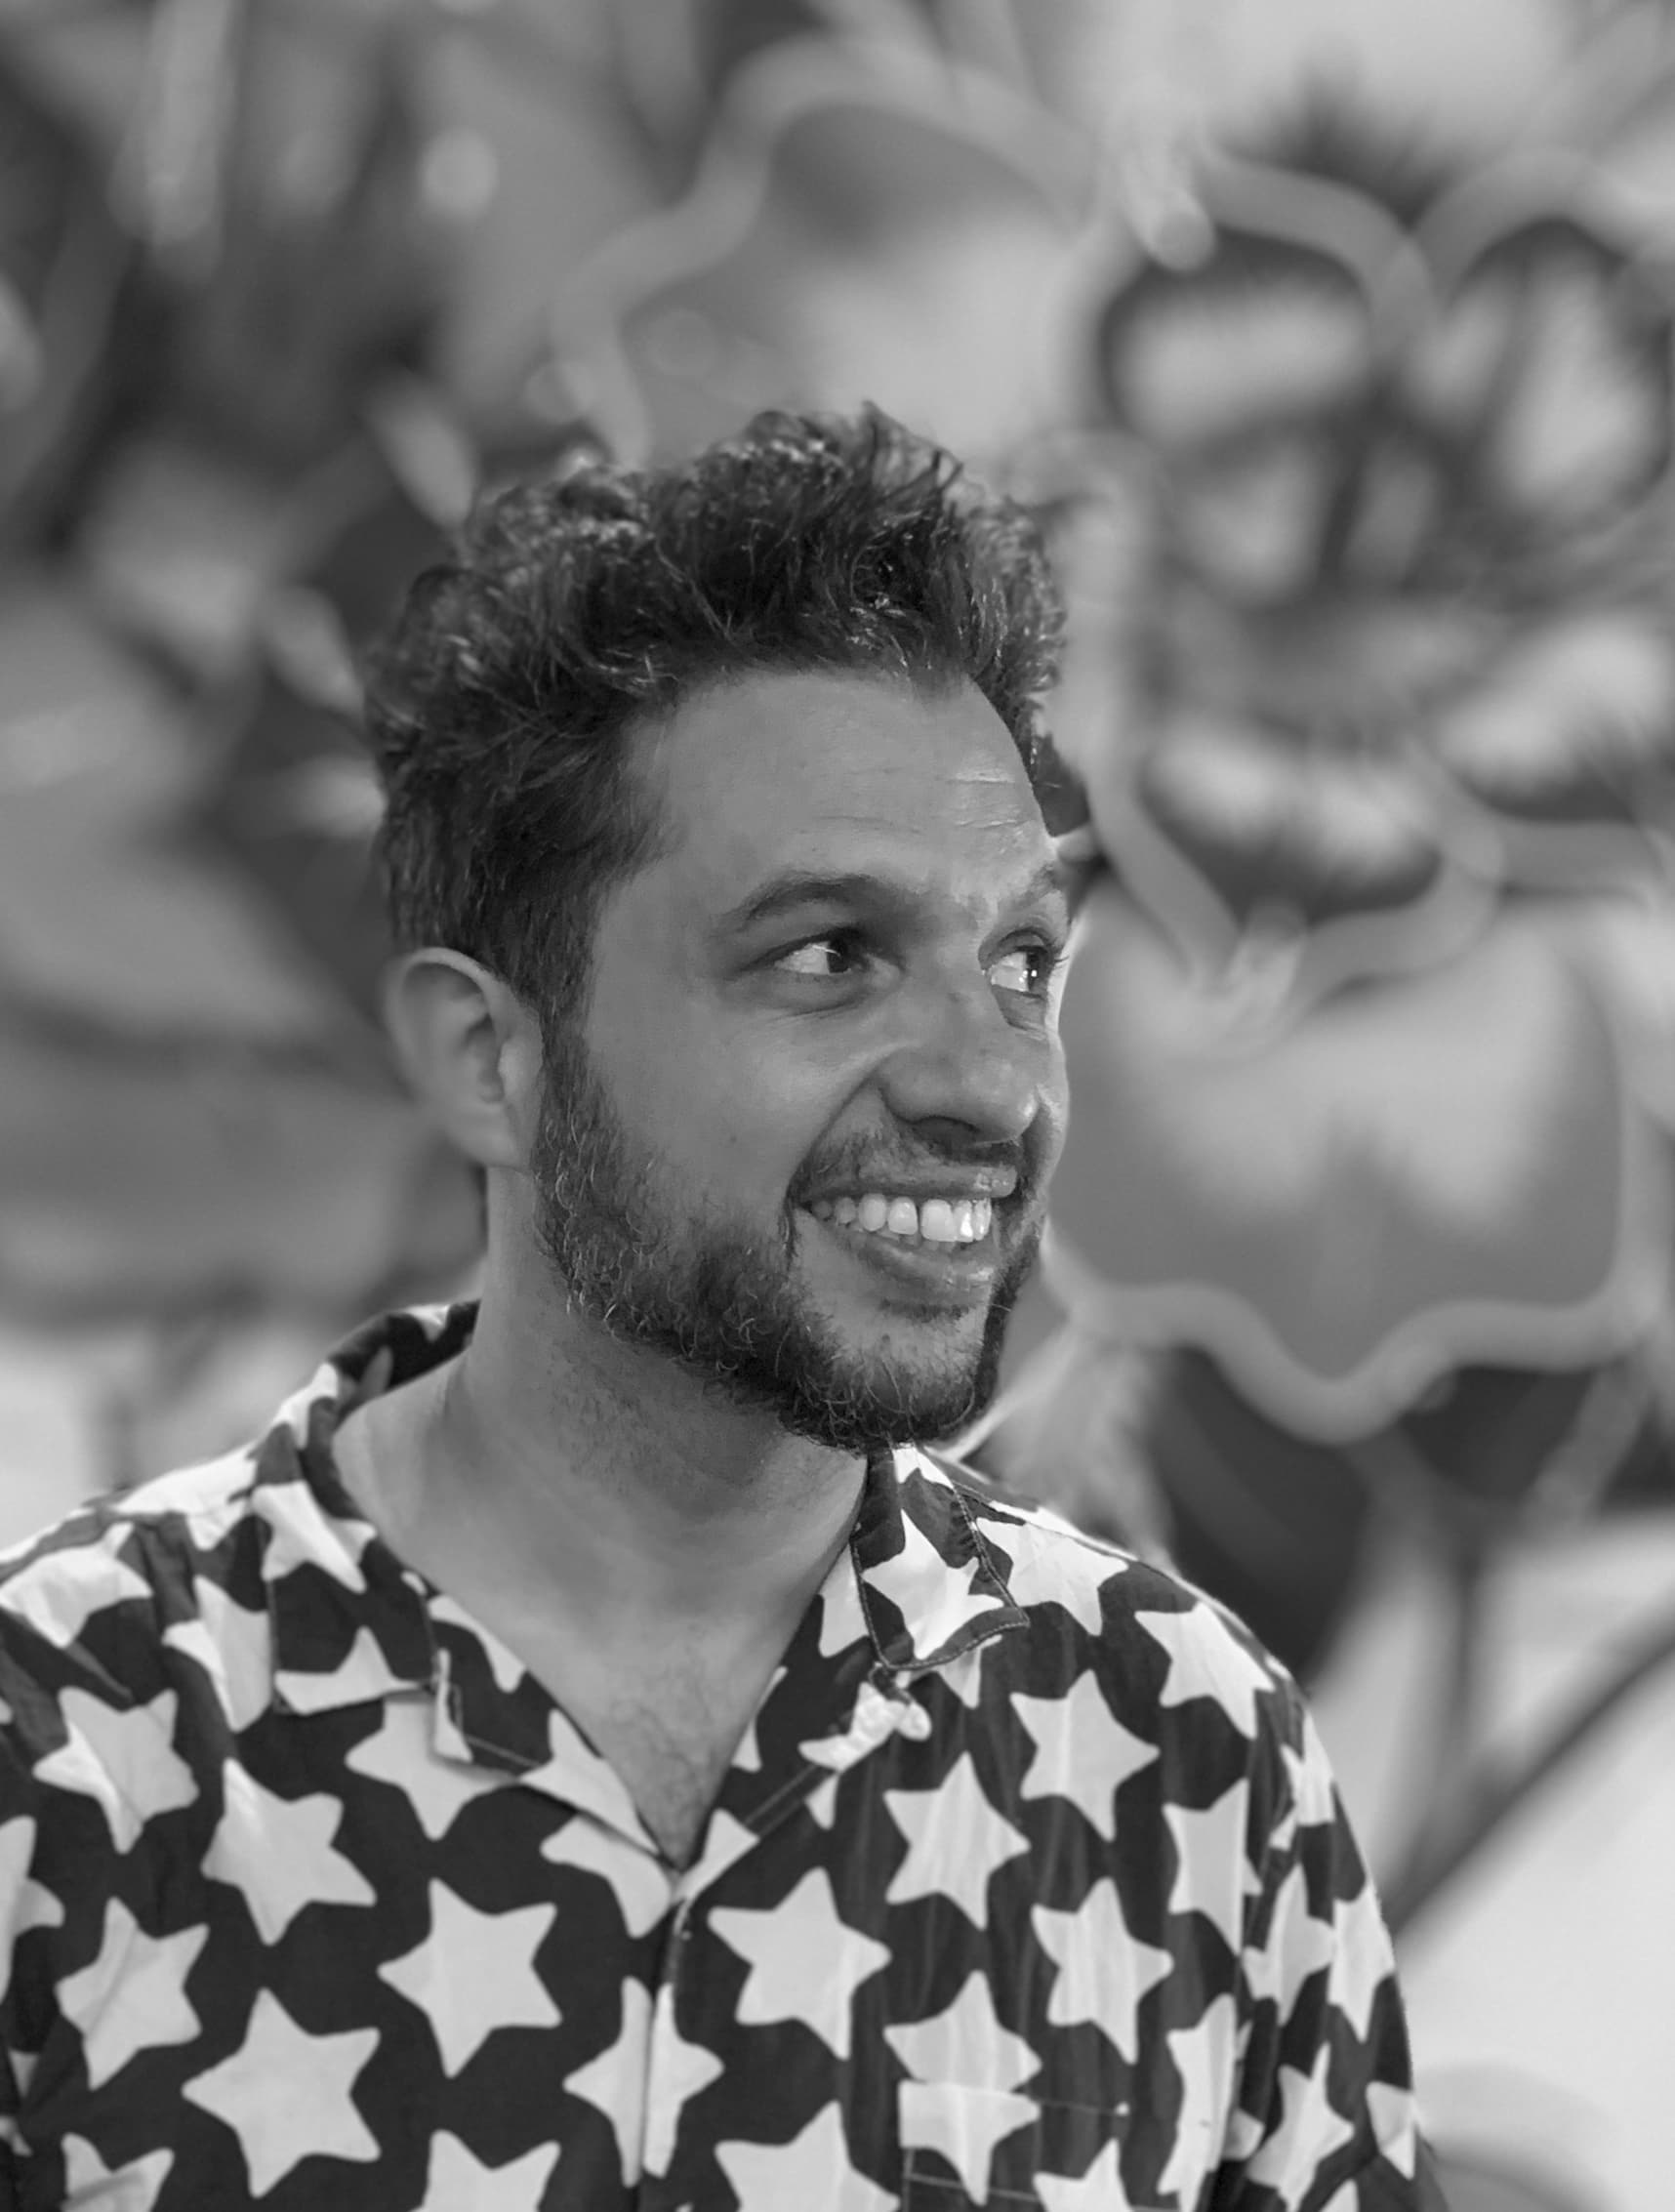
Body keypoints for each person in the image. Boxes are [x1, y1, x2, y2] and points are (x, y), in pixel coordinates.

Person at [0, 409, 1442, 2210]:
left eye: (1022, 962)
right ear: (491, 1058)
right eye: (830, 955)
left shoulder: (1182, 1760)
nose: (995, 1088)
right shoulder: (68, 1742)